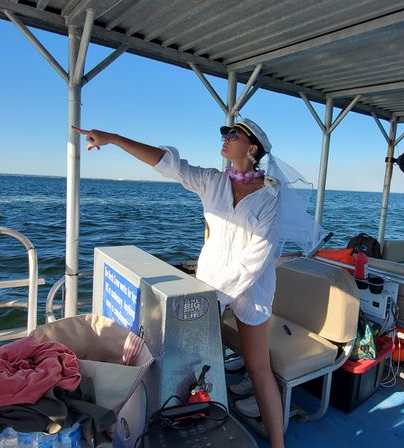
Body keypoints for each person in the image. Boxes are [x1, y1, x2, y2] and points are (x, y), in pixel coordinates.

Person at [73, 118, 303, 448]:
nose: (224, 137)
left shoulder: (271, 196)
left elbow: (255, 260)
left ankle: (278, 444)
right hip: (208, 288)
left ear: (252, 148)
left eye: (232, 134)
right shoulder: (212, 181)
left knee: (258, 368)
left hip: (249, 291)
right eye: (223, 132)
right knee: (196, 367)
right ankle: (196, 427)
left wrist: (211, 301)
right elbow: (169, 164)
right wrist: (113, 138)